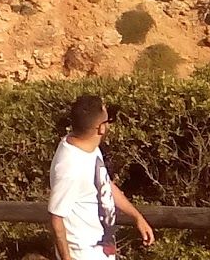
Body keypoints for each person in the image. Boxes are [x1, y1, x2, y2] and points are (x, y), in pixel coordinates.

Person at [48, 94, 154, 260]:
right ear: (101, 128)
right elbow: (56, 217)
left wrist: (136, 217)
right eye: (108, 120)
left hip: (101, 251)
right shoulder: (70, 166)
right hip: (83, 254)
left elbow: (104, 183)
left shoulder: (87, 147)